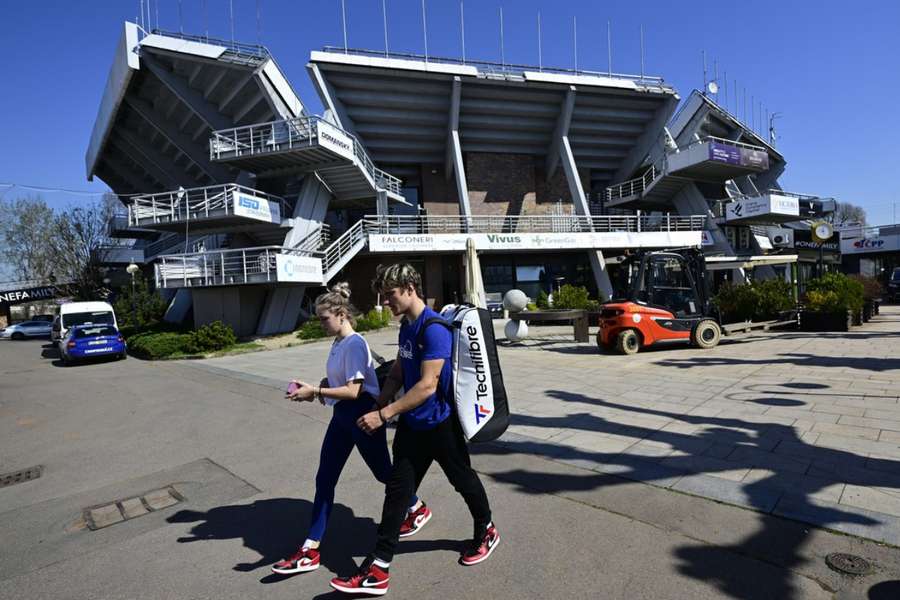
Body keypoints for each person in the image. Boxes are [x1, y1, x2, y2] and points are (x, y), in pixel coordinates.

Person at [330, 264, 499, 596]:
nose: (385, 301)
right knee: (397, 492)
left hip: (440, 425)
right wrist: (380, 399)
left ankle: (487, 529)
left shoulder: (434, 329)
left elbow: (427, 385)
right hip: (412, 426)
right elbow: (399, 370)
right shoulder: (407, 327)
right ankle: (378, 568)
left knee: (463, 481)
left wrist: (384, 414)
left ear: (409, 289)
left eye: (390, 294)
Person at [272, 282, 429, 576]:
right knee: (325, 479)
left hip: (361, 415)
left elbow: (354, 391)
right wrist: (321, 386)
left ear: (341, 314)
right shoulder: (338, 342)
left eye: (324, 319)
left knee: (383, 472)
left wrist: (316, 391)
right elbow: (341, 383)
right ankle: (310, 548)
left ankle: (416, 506)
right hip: (342, 418)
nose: (320, 324)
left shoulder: (355, 343)